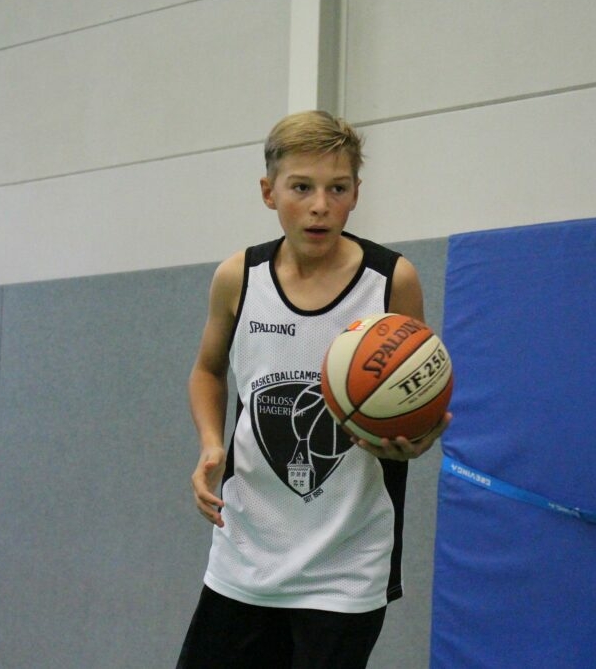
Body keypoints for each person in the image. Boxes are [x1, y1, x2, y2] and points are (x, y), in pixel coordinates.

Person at [177, 110, 450, 669]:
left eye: (337, 188)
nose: (320, 204)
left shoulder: (391, 280)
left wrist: (416, 438)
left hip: (346, 564)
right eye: (301, 187)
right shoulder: (239, 277)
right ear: (269, 192)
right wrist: (211, 444)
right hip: (245, 552)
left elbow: (414, 398)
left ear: (356, 194)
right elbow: (207, 370)